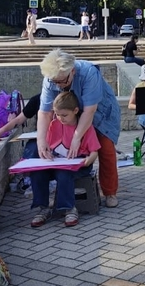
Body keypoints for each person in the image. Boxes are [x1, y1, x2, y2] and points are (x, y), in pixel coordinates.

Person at [38, 49, 121, 208]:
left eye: (62, 81)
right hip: (72, 114)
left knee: (106, 150)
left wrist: (77, 138)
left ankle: (110, 192)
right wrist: (42, 141)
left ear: (72, 71)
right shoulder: (51, 79)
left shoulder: (89, 72)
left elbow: (90, 110)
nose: (58, 85)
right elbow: (44, 112)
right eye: (55, 82)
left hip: (101, 113)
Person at [29, 91, 100, 228]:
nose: (60, 118)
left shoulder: (84, 127)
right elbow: (48, 145)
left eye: (64, 115)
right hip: (57, 163)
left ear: (75, 110)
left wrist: (88, 161)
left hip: (79, 165)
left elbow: (94, 152)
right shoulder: (54, 125)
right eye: (57, 114)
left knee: (64, 174)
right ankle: (43, 208)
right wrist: (46, 153)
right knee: (37, 173)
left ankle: (69, 208)